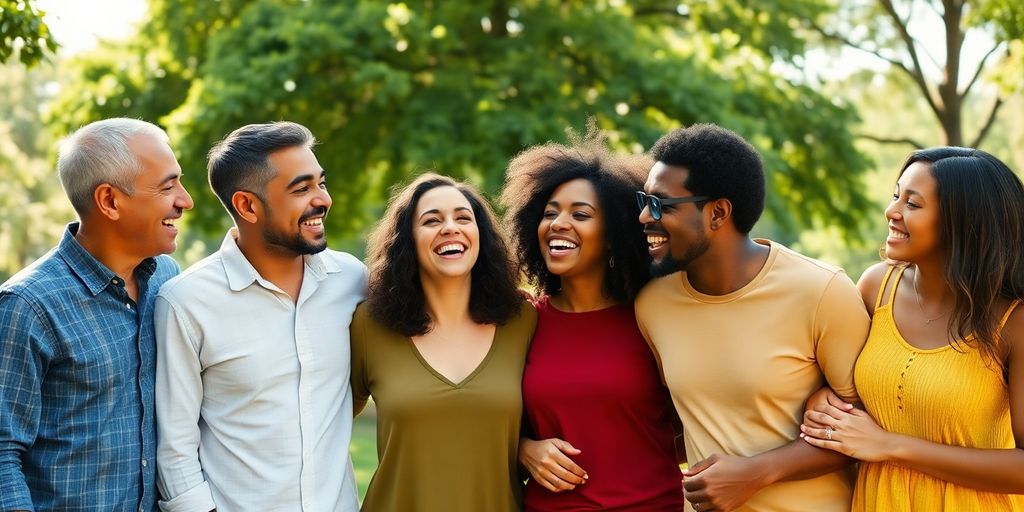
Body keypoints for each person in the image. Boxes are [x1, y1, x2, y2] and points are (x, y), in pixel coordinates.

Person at [634, 123, 870, 512]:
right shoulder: (653, 303)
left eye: (660, 204)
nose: (644, 216)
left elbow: (867, 429)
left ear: (718, 213)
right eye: (643, 200)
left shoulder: (821, 291)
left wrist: (758, 472)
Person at [154, 122, 365, 512]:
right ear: (247, 206)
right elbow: (175, 446)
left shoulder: (352, 281)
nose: (323, 200)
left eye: (321, 183)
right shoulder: (187, 302)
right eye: (301, 189)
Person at [799, 147, 1024, 510]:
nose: (892, 212)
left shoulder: (1013, 322)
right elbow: (843, 390)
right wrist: (823, 400)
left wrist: (891, 445)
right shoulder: (875, 287)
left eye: (913, 204)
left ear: (962, 221)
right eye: (895, 196)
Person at [0, 118, 193, 511]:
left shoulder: (169, 283)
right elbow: (3, 453)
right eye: (167, 186)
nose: (185, 200)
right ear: (109, 201)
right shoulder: (28, 306)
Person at [500, 130, 685, 511]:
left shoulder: (655, 317)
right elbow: (485, 413)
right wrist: (523, 449)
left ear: (615, 233)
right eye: (550, 213)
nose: (558, 223)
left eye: (580, 214)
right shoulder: (521, 321)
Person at [351, 173, 536, 512]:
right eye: (431, 220)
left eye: (463, 217)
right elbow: (321, 421)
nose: (450, 227)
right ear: (407, 240)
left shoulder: (523, 321)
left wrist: (526, 447)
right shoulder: (368, 326)